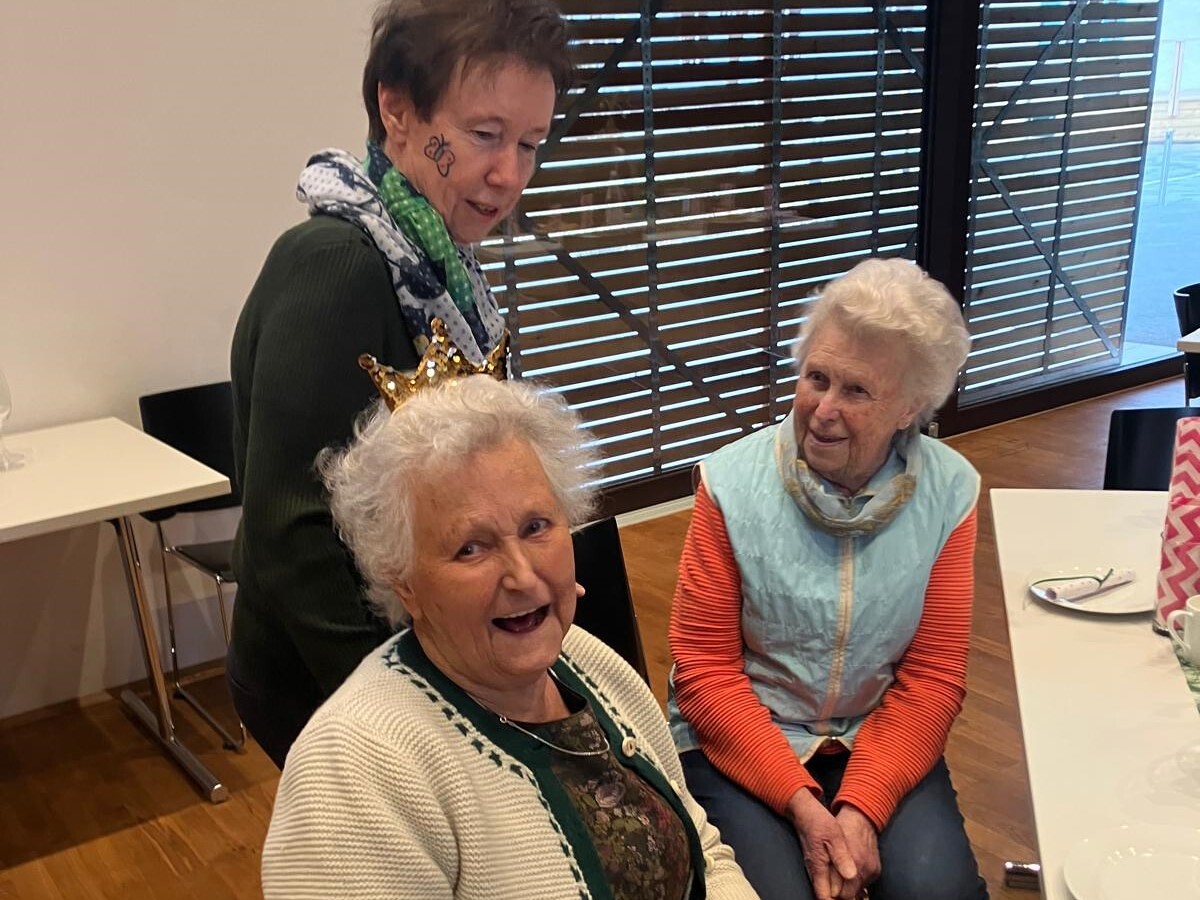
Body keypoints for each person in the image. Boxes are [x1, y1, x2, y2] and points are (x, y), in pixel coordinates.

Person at [226, 0, 573, 768]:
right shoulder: (338, 265)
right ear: (397, 108)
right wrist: (413, 713)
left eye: (530, 144)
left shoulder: (439, 263)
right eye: (485, 135)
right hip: (332, 678)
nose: (509, 174)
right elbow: (291, 534)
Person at [261, 374, 759, 900]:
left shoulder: (588, 662)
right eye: (471, 548)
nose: (523, 575)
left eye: (536, 527)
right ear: (403, 581)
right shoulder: (353, 773)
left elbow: (703, 849)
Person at [668, 257, 989, 900]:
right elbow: (703, 668)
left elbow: (932, 677)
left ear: (909, 408)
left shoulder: (949, 492)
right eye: (817, 378)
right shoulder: (730, 483)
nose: (823, 410)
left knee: (939, 891)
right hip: (742, 737)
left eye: (857, 391)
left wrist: (863, 807)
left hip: (880, 734)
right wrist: (803, 804)